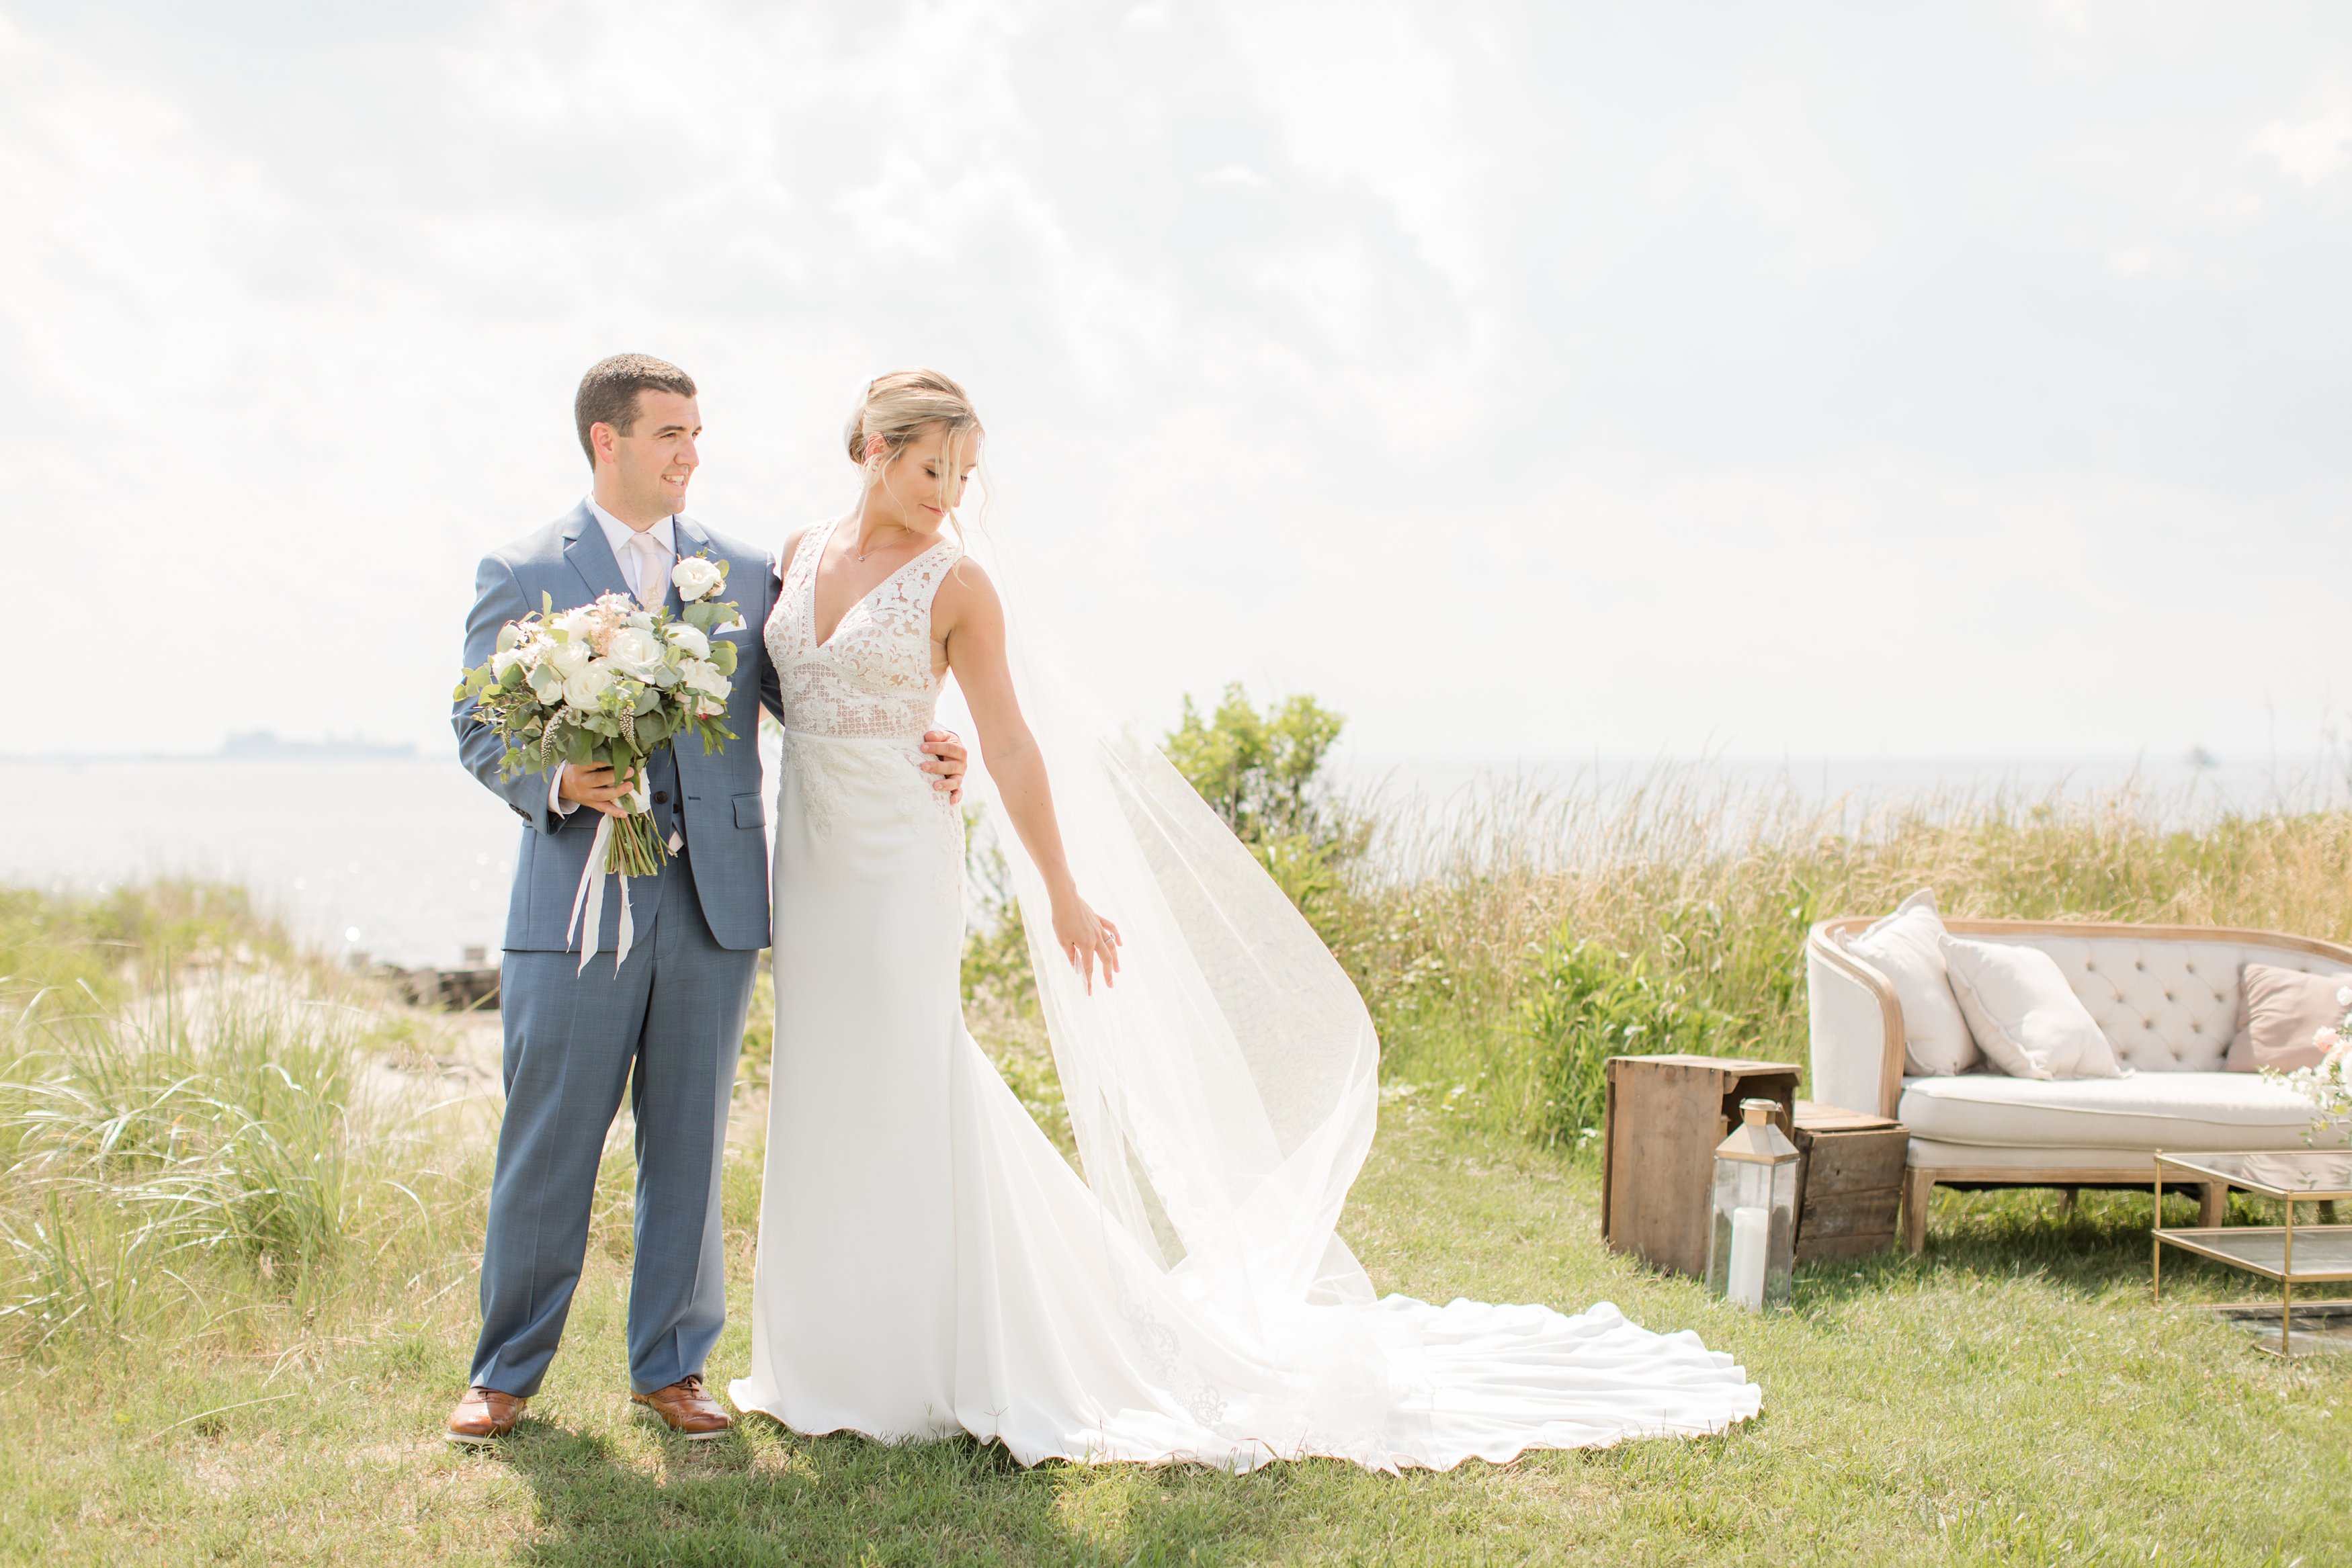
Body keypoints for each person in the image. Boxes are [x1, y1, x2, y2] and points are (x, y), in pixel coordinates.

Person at [728, 369, 1761, 1469]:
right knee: (824, 1076)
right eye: (933, 467)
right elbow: (782, 688)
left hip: (899, 865)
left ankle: (923, 1355)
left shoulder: (960, 583)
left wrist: (1065, 887)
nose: (950, 493)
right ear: (870, 450)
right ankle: (821, 1353)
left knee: (908, 1072)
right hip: (815, 863)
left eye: (966, 474)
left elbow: (1015, 742)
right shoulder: (793, 555)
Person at [444, 354, 968, 1444]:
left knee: (688, 1140)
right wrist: (554, 782)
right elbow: (478, 723)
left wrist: (931, 731)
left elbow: (813, 689)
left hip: (714, 905)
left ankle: (673, 1366)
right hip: (578, 905)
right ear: (609, 441)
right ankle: (506, 1372)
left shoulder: (736, 565)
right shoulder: (525, 564)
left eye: (696, 433)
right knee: (551, 1142)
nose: (693, 453)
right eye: (671, 434)